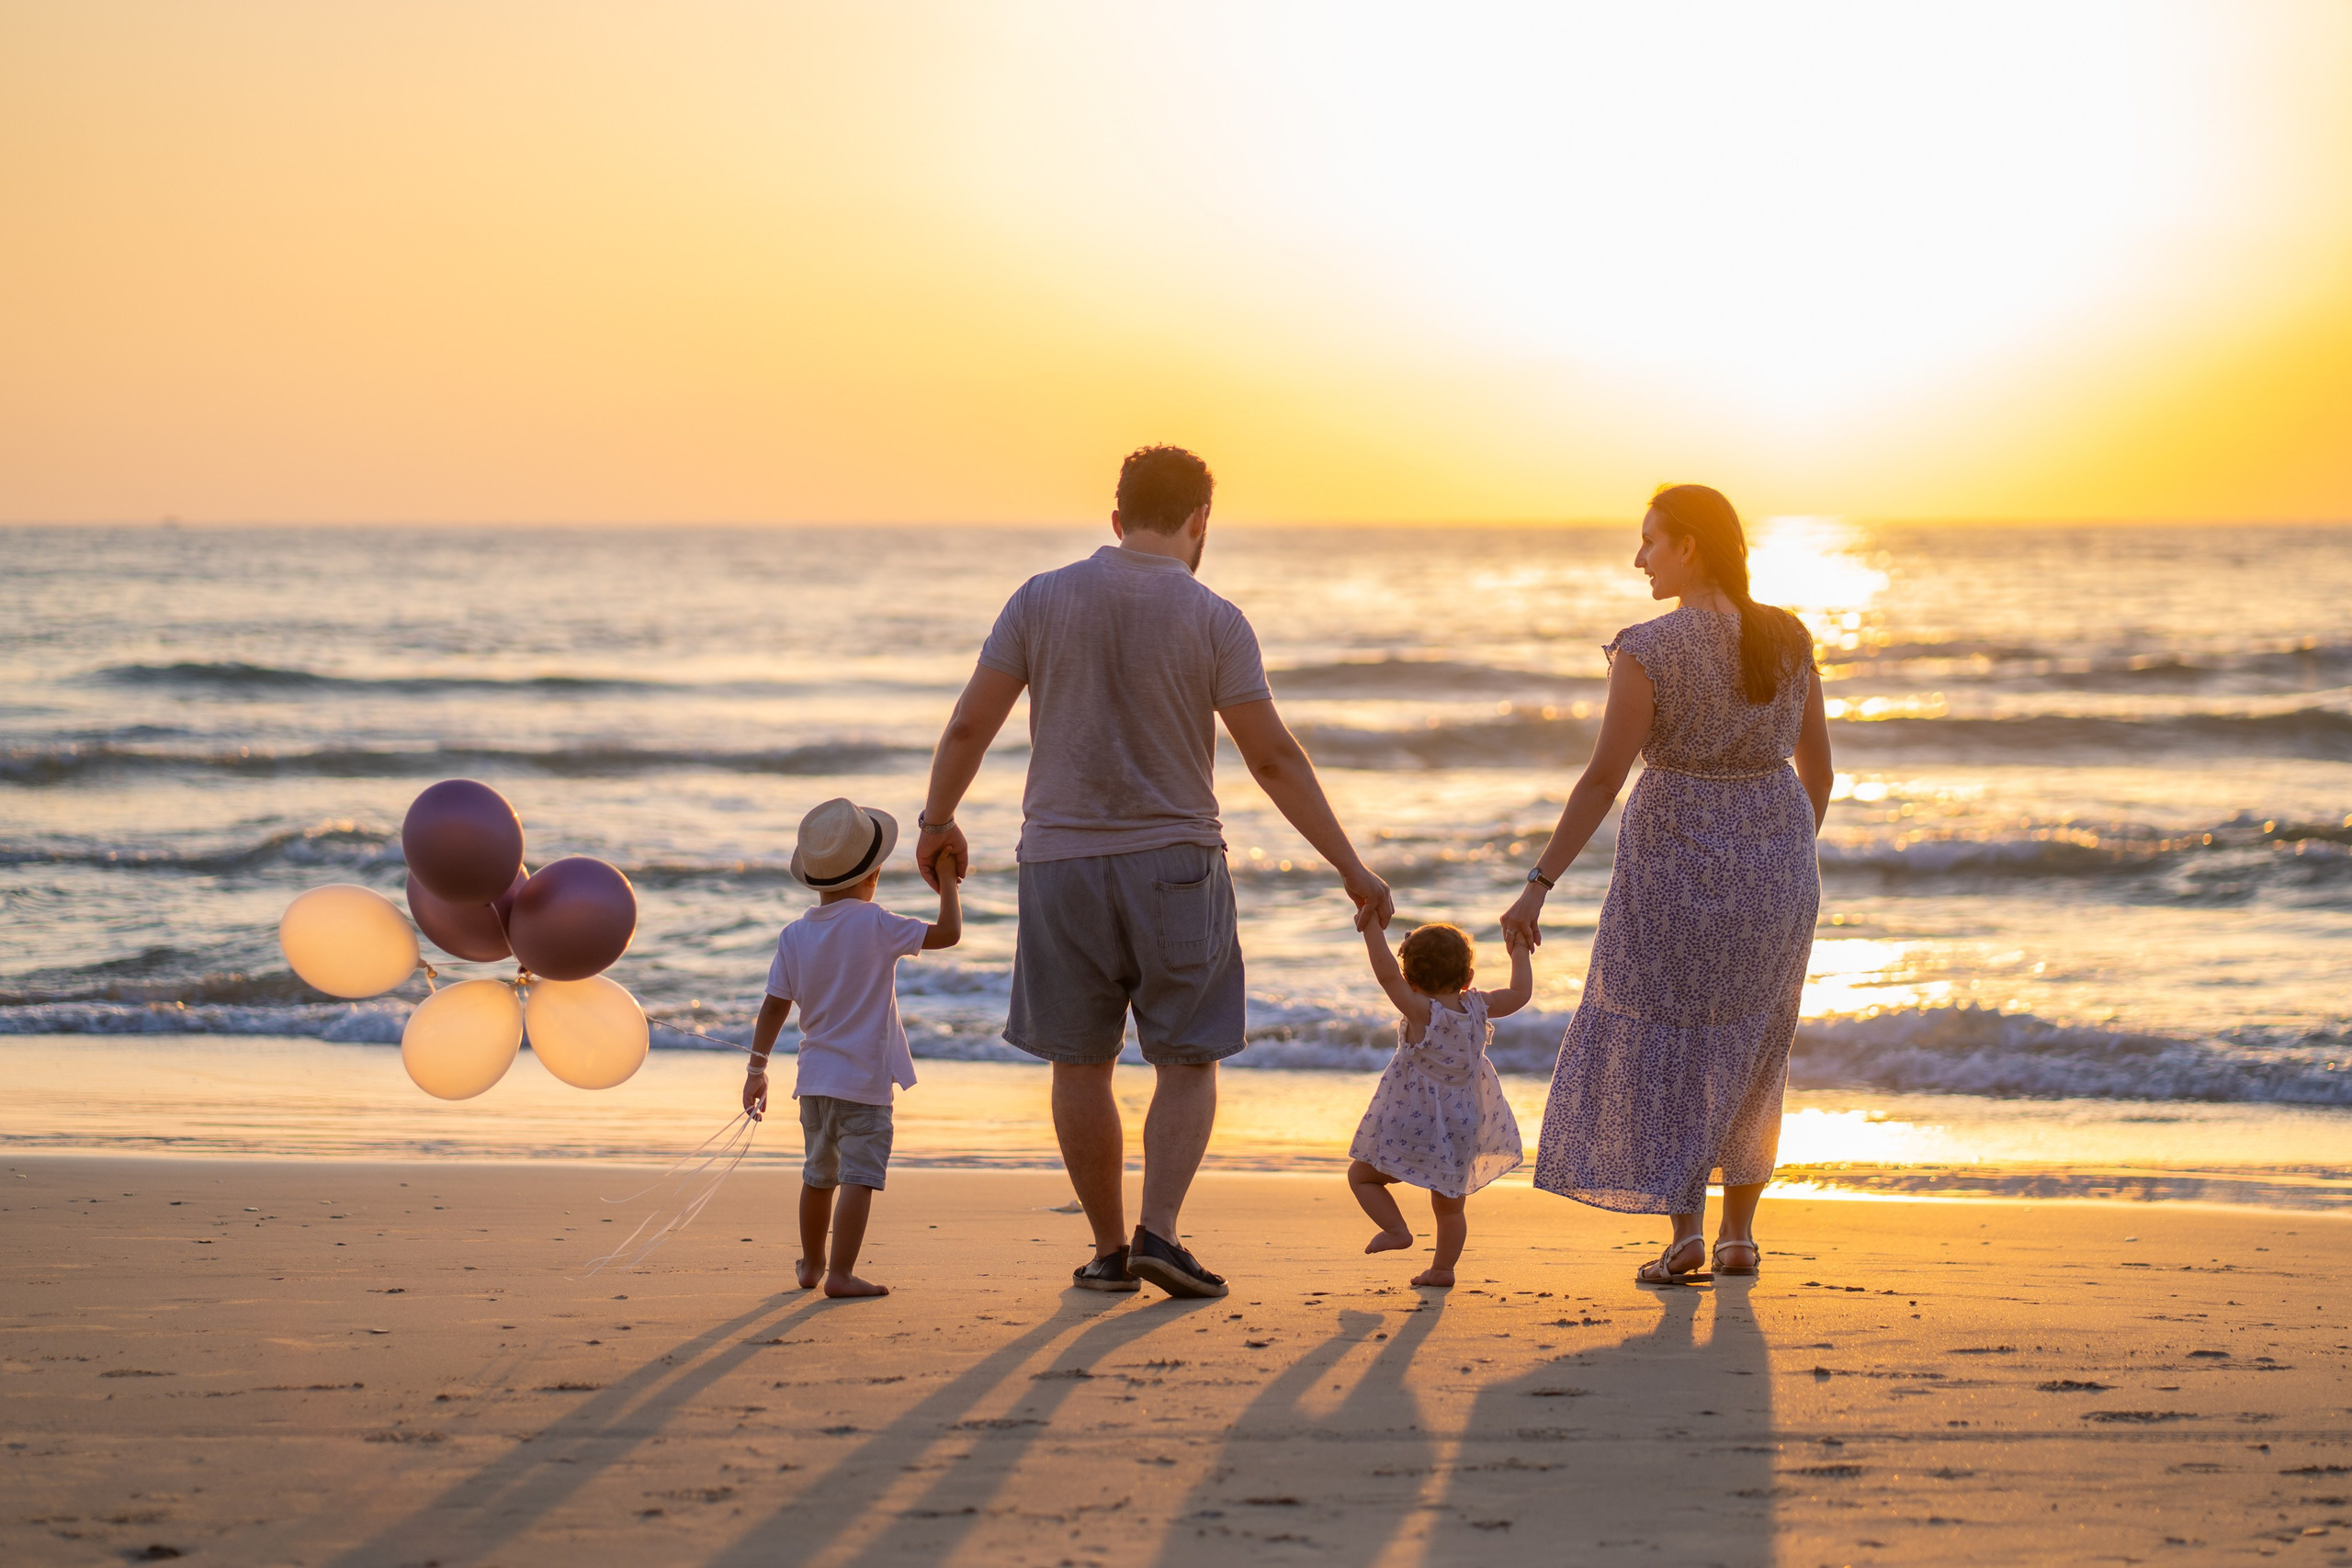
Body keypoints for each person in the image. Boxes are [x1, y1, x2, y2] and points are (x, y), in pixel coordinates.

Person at [915, 445, 1394, 1300]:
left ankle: (1107, 1250)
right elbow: (1274, 760)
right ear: (1201, 520)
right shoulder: (1215, 617)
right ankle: (1160, 1233)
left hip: (1057, 863)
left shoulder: (1039, 598)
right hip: (1176, 863)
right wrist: (1350, 866)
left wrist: (938, 819)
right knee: (1187, 1057)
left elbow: (966, 728)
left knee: (1079, 1061)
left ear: (1116, 517)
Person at [1500, 484, 1832, 1286]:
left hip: (1673, 867)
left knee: (1674, 1042)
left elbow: (1601, 779)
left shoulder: (1648, 647)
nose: (1639, 556)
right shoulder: (1790, 637)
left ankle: (1686, 1233)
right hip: (1780, 870)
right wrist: (1780, 856)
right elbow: (1818, 769)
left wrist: (1538, 882)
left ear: (1691, 546)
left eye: (1650, 540)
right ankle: (1739, 1237)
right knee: (1758, 1042)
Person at [741, 796, 962, 1299]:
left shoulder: (794, 936)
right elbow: (948, 933)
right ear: (874, 877)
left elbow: (773, 1008)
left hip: (813, 1083)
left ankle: (813, 1265)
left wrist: (757, 1069)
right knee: (859, 1177)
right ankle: (841, 1274)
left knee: (818, 1176)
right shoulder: (878, 923)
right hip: (863, 1084)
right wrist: (948, 879)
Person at [1347, 920, 1530, 1287]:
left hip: (1411, 1121)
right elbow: (1520, 992)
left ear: (1411, 980)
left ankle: (1397, 1230)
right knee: (1450, 1207)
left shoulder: (1420, 1010)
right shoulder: (1481, 1006)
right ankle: (1442, 1270)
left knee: (1363, 1176)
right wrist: (1520, 948)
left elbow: (1385, 976)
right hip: (1463, 1121)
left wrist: (1370, 929)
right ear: (1468, 977)